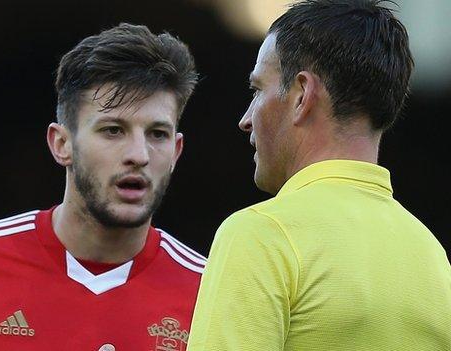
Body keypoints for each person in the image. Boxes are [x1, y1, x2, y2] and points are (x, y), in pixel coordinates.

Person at [0, 23, 205, 351]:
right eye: (113, 130)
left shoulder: (211, 290)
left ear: (176, 152)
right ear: (62, 144)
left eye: (157, 134)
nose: (139, 155)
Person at [188, 1, 451, 350]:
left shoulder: (261, 236)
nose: (246, 118)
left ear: (302, 94)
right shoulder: (434, 258)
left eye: (257, 90)